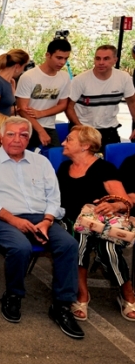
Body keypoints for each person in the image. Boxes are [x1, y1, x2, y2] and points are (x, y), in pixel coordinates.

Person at [0, 116, 82, 339]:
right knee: (21, 247)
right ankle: (13, 295)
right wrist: (14, 220)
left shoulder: (41, 162)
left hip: (40, 218)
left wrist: (47, 220)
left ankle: (61, 305)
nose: (17, 139)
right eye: (11, 134)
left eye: (23, 135)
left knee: (69, 245)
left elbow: (54, 197)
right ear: (1, 137)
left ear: (29, 138)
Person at [56, 125, 135, 322]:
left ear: (85, 146)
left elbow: (124, 201)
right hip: (70, 220)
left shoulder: (104, 168)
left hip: (99, 222)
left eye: (69, 140)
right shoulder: (64, 167)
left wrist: (114, 206)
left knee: (108, 248)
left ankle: (127, 294)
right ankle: (82, 295)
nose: (64, 143)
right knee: (78, 241)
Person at [66, 45, 135, 148]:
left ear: (115, 60)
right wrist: (81, 128)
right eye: (98, 58)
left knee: (112, 162)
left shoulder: (123, 78)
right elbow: (68, 107)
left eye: (106, 58)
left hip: (109, 130)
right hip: (84, 129)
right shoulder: (80, 80)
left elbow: (132, 102)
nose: (101, 62)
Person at [16, 38, 72, 149]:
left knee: (54, 160)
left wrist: (41, 113)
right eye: (59, 58)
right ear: (48, 55)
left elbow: (63, 105)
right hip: (26, 126)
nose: (62, 62)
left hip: (49, 126)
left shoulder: (64, 77)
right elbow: (22, 109)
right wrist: (40, 130)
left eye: (66, 58)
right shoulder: (29, 76)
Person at [0, 49, 29, 116]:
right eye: (24, 67)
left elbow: (3, 109)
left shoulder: (9, 82)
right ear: (17, 66)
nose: (23, 71)